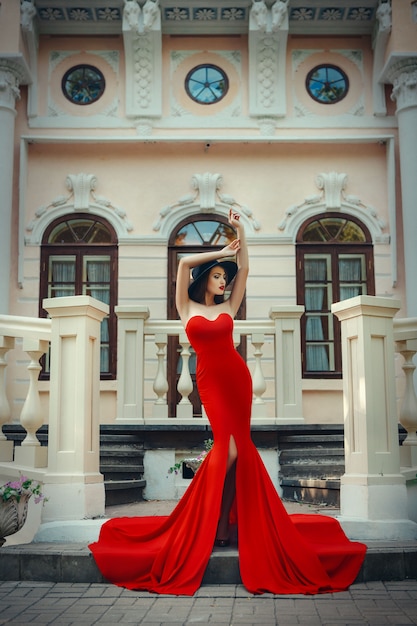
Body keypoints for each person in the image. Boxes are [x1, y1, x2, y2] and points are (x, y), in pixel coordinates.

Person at [89, 208, 366, 596]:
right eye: (218, 277)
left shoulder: (228, 308)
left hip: (237, 379)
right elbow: (184, 261)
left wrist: (241, 236)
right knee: (230, 450)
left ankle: (220, 527)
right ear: (206, 279)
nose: (223, 282)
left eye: (225, 278)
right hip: (210, 382)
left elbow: (246, 271)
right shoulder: (187, 308)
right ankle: (214, 523)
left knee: (237, 451)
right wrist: (220, 250)